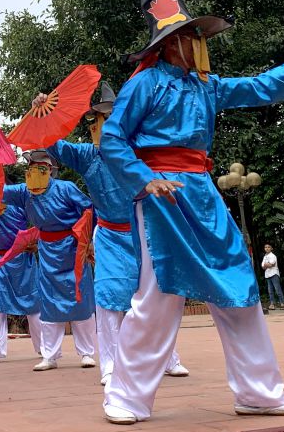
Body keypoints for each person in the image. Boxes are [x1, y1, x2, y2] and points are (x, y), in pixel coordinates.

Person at [100, 0, 284, 424]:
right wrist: (145, 179)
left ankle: (259, 394)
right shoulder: (144, 84)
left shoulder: (206, 87)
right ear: (172, 42)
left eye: (201, 37)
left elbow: (259, 87)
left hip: (203, 193)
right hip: (162, 196)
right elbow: (112, 138)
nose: (201, 44)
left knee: (240, 289)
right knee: (159, 296)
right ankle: (126, 398)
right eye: (194, 37)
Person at [41, 83, 189, 386]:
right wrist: (46, 113)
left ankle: (166, 358)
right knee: (108, 299)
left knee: (156, 297)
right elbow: (53, 145)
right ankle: (109, 365)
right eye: (96, 119)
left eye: (109, 117)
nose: (102, 124)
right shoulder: (87, 155)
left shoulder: (139, 150)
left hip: (144, 233)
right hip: (108, 235)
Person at [3, 150, 97, 371]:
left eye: (40, 166)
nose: (35, 169)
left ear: (50, 170)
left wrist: (86, 238)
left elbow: (88, 208)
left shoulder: (66, 188)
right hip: (47, 252)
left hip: (73, 248)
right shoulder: (24, 192)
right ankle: (50, 355)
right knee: (48, 302)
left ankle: (86, 352)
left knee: (79, 299)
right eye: (32, 166)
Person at [0, 202, 43, 365]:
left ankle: (44, 347)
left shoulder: (20, 204)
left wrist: (37, 244)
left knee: (33, 304)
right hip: (0, 261)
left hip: (23, 260)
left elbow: (42, 222)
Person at [262, 244, 284, 309]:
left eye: (268, 247)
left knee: (277, 289)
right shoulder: (265, 257)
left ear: (271, 248)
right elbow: (263, 267)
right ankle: (272, 304)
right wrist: (267, 264)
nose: (267, 248)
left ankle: (282, 304)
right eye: (265, 247)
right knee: (270, 291)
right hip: (267, 275)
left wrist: (267, 264)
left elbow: (271, 265)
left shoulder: (273, 256)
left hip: (274, 274)